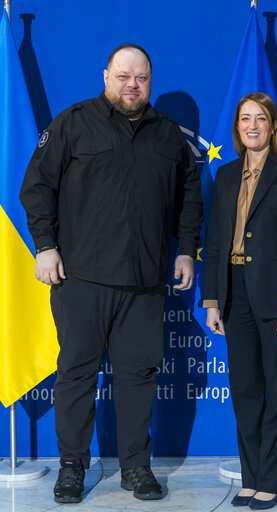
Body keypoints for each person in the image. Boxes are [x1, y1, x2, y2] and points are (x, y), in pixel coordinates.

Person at [20, 43, 203, 504]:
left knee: (137, 376)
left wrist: (186, 253)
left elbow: (190, 198)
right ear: (106, 76)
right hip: (80, 277)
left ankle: (136, 468)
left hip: (143, 282)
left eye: (140, 77)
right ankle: (71, 468)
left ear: (150, 81)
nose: (132, 84)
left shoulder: (167, 135)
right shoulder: (73, 122)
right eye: (123, 76)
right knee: (77, 373)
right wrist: (45, 246)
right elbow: (36, 187)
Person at [203, 93, 277, 510]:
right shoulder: (227, 174)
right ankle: (251, 478)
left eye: (260, 119)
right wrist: (212, 299)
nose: (252, 126)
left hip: (276, 294)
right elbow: (215, 242)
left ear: (273, 125)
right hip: (233, 290)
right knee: (245, 391)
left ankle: (272, 480)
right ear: (237, 127)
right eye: (245, 119)